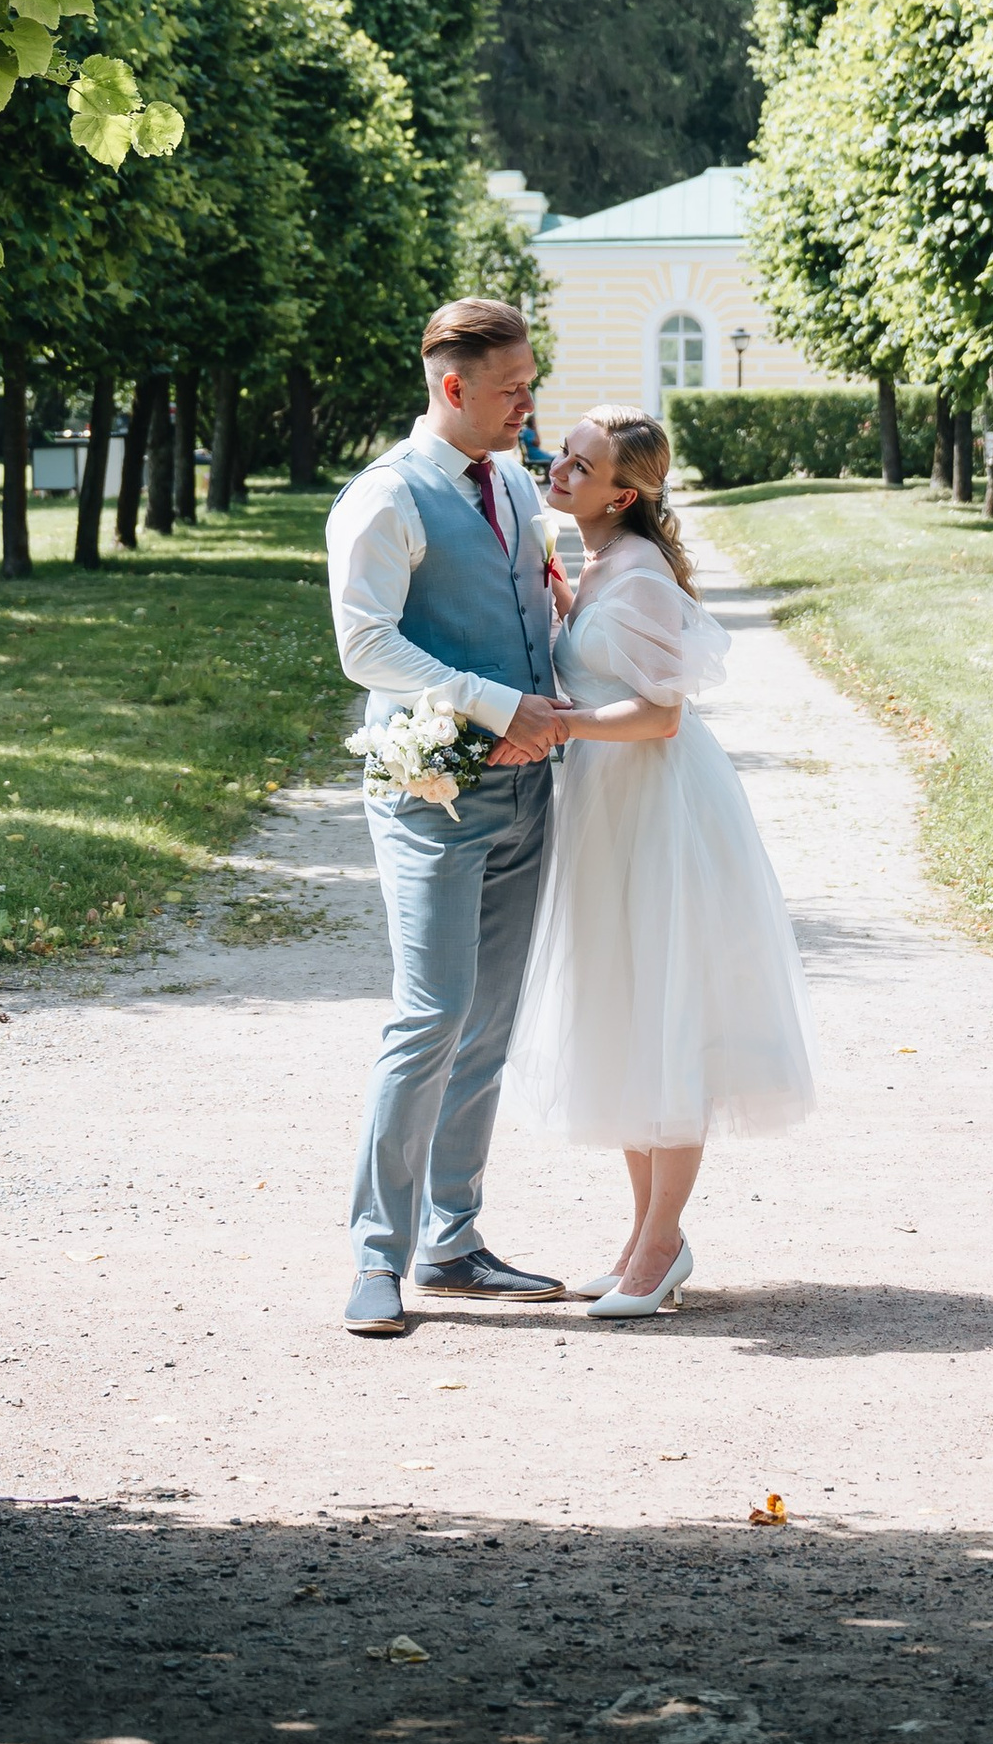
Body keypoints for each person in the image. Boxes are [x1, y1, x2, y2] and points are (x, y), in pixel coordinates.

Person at [505, 404, 820, 1316]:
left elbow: (661, 713)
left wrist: (556, 723)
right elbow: (603, 655)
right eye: (561, 455)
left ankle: (656, 1250)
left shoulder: (639, 575)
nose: (558, 470)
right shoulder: (606, 564)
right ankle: (650, 1238)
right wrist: (565, 598)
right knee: (626, 1014)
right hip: (608, 802)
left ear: (626, 492)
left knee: (666, 1017)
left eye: (580, 464)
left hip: (657, 805)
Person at [325, 298, 573, 1338]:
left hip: (526, 789)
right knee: (428, 1016)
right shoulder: (385, 496)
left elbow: (521, 604)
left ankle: (454, 1239)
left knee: (488, 1026)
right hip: (430, 796)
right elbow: (364, 646)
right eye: (512, 386)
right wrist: (489, 700)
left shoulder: (512, 478)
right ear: (452, 387)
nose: (529, 401)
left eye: (531, 381)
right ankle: (375, 1258)